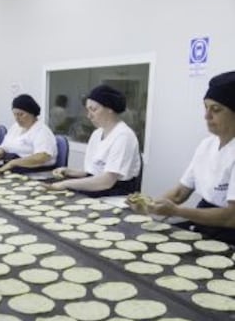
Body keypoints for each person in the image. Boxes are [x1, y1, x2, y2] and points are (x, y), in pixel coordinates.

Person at [127, 71, 235, 244]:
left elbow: (230, 217)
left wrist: (177, 211)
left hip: (229, 233)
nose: (206, 116)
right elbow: (179, 193)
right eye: (205, 108)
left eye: (216, 109)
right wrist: (148, 205)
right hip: (204, 222)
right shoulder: (206, 145)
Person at [46, 85, 141, 195]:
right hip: (98, 187)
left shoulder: (124, 136)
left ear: (110, 109)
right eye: (87, 110)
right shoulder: (97, 134)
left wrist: (66, 184)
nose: (89, 116)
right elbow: (93, 173)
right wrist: (69, 171)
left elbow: (107, 181)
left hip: (115, 194)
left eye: (94, 109)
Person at [0, 94, 57, 174]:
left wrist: (13, 163)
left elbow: (41, 157)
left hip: (34, 171)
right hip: (13, 167)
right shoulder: (16, 127)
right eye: (15, 114)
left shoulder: (41, 131)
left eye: (21, 114)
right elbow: (5, 146)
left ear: (32, 113)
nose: (17, 118)